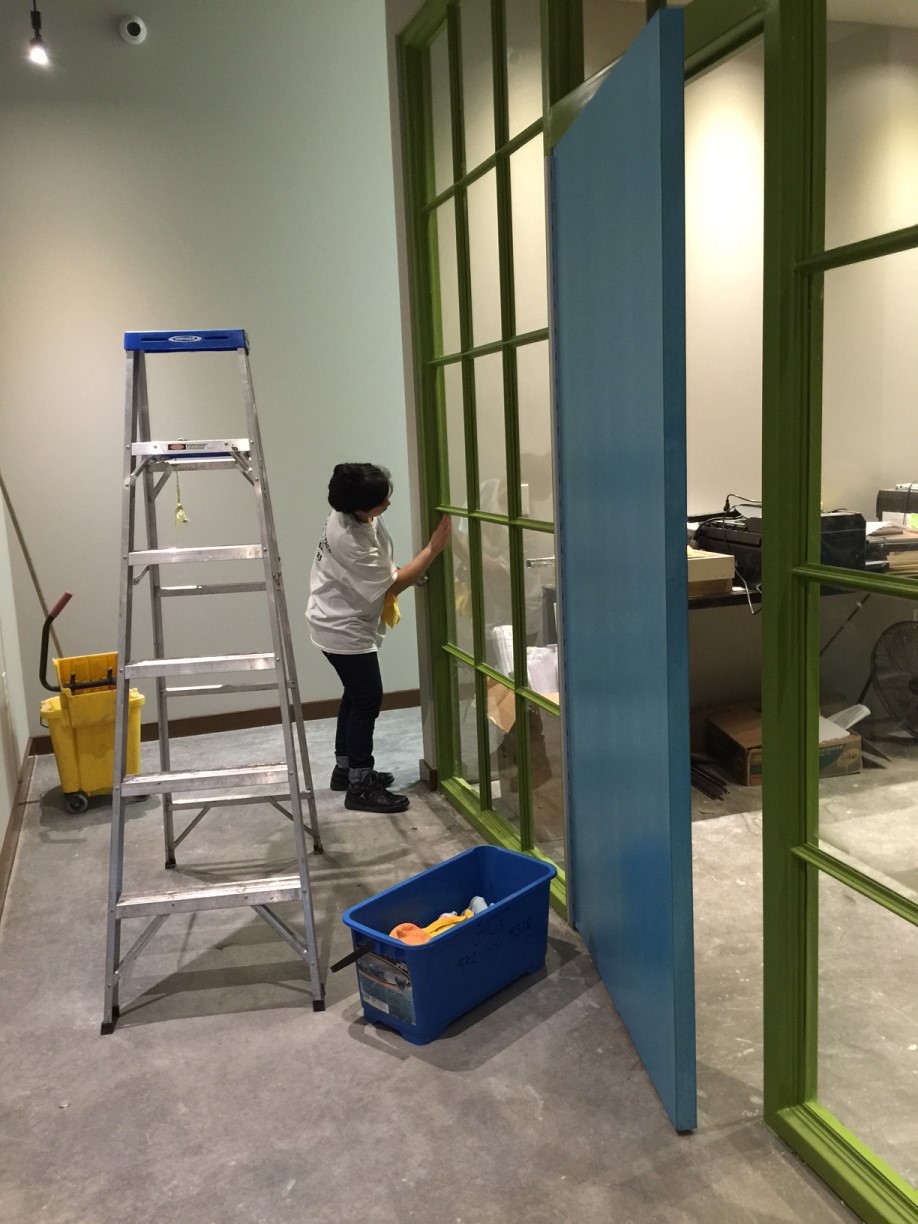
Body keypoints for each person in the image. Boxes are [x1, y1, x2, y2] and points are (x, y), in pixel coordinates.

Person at [306, 462, 451, 813]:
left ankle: (345, 770)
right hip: (343, 628)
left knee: (355, 695)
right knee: (367, 700)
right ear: (358, 506)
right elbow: (394, 583)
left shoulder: (349, 511)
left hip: (333, 617)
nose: (388, 503)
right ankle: (360, 785)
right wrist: (433, 548)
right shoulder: (349, 540)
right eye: (382, 500)